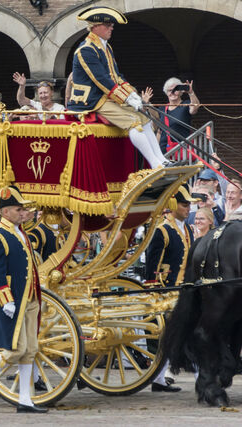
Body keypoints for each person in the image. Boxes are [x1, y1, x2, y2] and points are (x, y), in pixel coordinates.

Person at [67, 7, 174, 169]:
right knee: (133, 121)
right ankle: (155, 164)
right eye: (108, 24)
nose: (112, 27)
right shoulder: (86, 50)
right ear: (95, 27)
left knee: (144, 119)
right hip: (92, 100)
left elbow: (116, 76)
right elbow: (102, 80)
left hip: (106, 97)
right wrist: (126, 98)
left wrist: (133, 95)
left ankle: (162, 159)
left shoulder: (106, 48)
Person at [0, 185, 47, 413]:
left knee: (31, 349)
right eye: (17, 209)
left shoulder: (20, 231)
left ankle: (25, 399)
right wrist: (6, 299)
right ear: (5, 212)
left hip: (30, 296)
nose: (21, 212)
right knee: (17, 349)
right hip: (13, 299)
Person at [144, 183, 197, 392]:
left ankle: (160, 380)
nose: (188, 209)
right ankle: (198, 377)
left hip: (184, 290)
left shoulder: (188, 230)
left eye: (189, 205)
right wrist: (156, 293)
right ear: (173, 204)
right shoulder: (161, 231)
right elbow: (152, 267)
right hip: (166, 293)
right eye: (184, 205)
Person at [141, 77, 200, 154]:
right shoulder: (162, 109)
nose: (172, 92)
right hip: (164, 152)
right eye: (169, 90)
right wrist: (146, 104)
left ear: (180, 92)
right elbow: (158, 128)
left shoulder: (185, 104)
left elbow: (194, 109)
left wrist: (191, 92)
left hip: (182, 152)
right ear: (166, 92)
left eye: (176, 90)